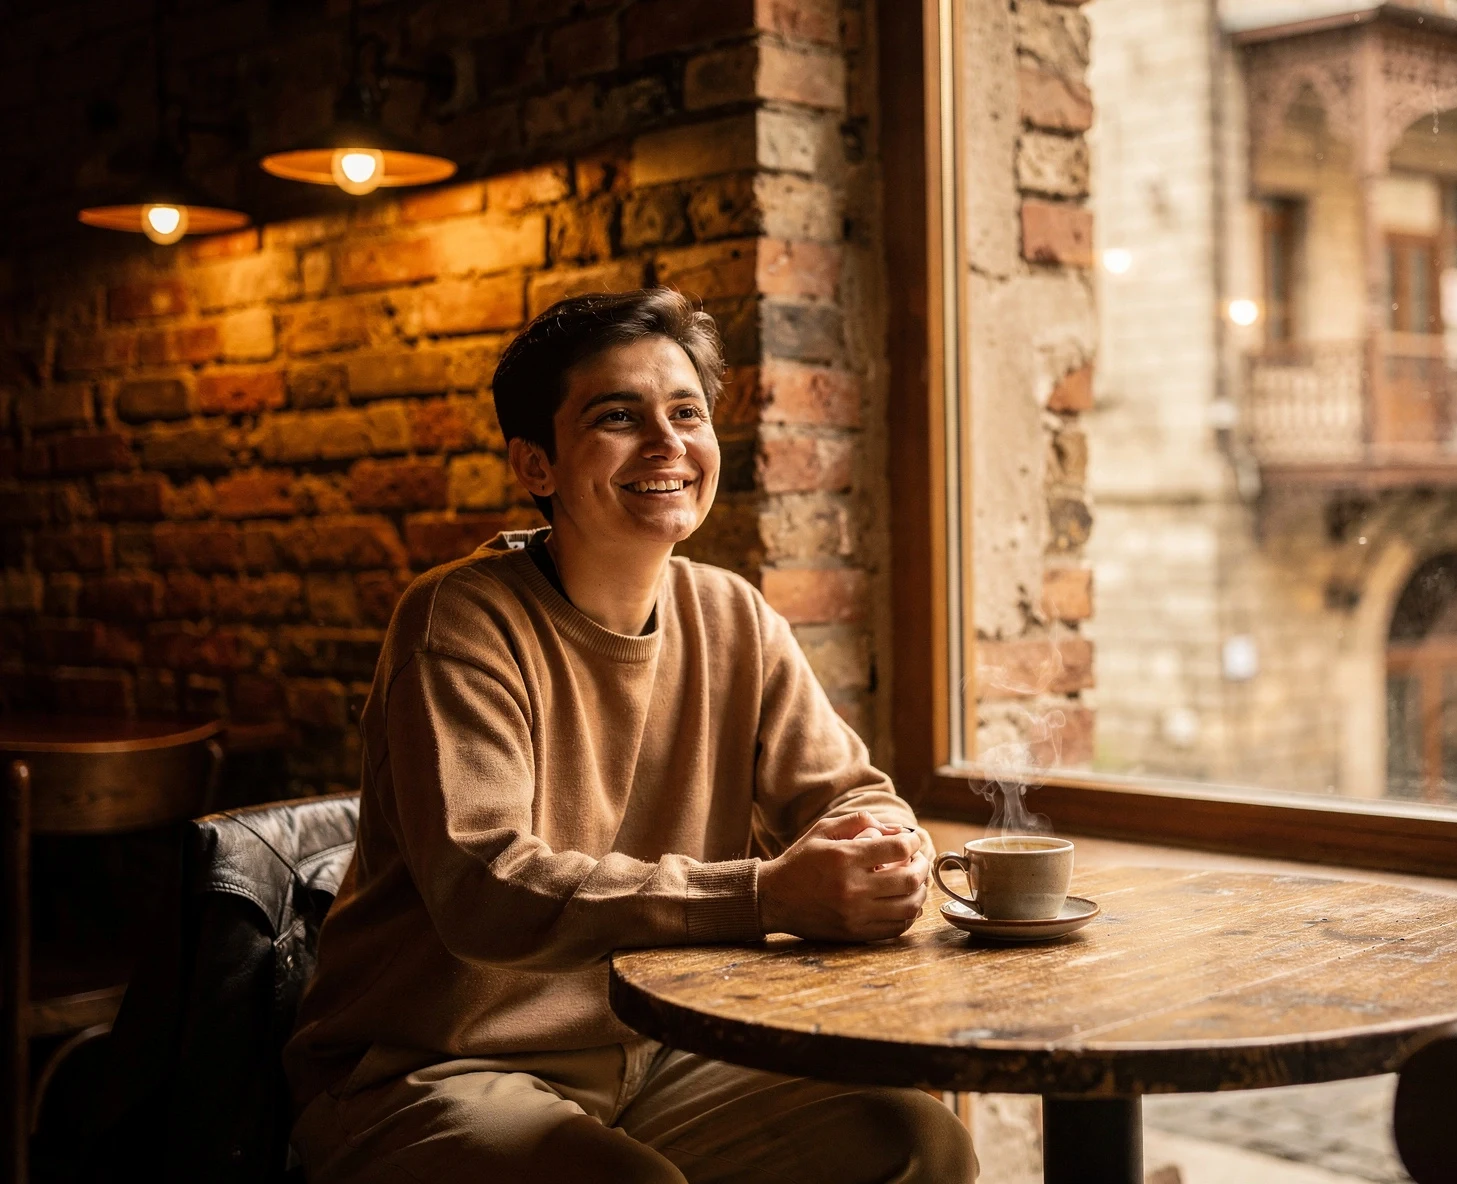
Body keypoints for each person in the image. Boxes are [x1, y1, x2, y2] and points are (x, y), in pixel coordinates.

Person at [282, 289, 979, 1183]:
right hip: (429, 1068)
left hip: (650, 1049)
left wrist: (889, 848)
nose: (668, 444)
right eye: (618, 417)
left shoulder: (732, 612)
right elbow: (483, 886)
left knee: (915, 1139)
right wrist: (764, 896)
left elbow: (851, 792)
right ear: (536, 462)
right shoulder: (457, 618)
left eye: (686, 413)